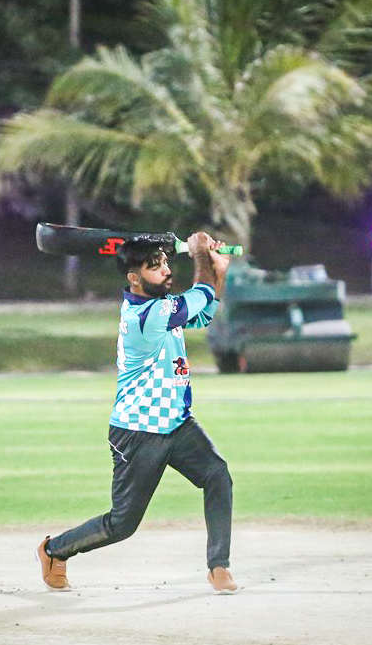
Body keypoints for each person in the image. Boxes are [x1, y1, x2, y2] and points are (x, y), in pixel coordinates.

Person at [36, 231, 237, 594]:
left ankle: (218, 567)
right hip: (137, 431)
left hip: (177, 424)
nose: (166, 270)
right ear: (134, 277)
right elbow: (201, 293)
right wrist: (201, 256)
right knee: (122, 524)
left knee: (217, 475)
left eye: (165, 262)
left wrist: (217, 271)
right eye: (155, 266)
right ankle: (54, 551)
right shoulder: (147, 315)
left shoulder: (163, 306)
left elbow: (202, 314)